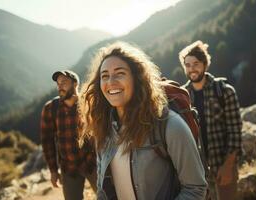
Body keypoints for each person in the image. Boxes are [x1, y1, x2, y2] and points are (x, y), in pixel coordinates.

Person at [81, 41, 207, 200]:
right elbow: (102, 191)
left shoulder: (170, 126)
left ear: (137, 78)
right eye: (104, 76)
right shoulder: (104, 130)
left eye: (119, 73)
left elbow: (195, 188)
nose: (111, 81)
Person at [179, 41, 242, 200]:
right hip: (197, 173)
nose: (191, 68)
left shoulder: (224, 91)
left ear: (205, 64)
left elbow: (235, 131)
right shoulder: (182, 98)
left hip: (223, 165)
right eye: (187, 65)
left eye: (196, 64)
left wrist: (228, 166)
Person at [40, 70, 96, 200]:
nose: (60, 86)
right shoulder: (50, 108)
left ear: (75, 84)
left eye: (64, 82)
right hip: (68, 168)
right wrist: (53, 171)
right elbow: (47, 141)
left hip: (93, 163)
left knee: (108, 196)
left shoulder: (89, 103)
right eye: (58, 84)